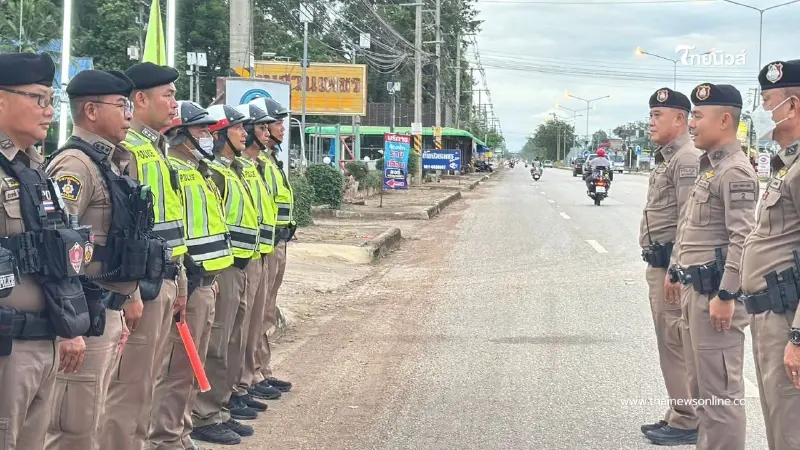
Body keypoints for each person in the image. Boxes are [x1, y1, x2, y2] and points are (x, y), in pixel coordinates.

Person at [0, 51, 96, 450]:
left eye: (51, 100)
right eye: (38, 98)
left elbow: (55, 255)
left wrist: (68, 327)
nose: (48, 110)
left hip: (43, 340)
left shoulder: (35, 170)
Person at [44, 69, 137, 450]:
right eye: (121, 105)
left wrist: (129, 295)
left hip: (104, 308)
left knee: (92, 418)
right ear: (92, 111)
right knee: (73, 426)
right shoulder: (75, 166)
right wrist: (69, 325)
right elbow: (56, 247)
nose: (129, 114)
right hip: (84, 311)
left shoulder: (108, 162)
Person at [99, 62, 189, 450]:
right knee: (129, 387)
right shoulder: (129, 152)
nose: (175, 103)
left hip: (164, 277)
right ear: (140, 99)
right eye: (167, 95)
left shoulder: (156, 149)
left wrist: (179, 278)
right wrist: (132, 289)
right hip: (142, 285)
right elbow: (122, 228)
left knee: (147, 382)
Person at [665, 83, 757, 450]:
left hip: (715, 298)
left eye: (698, 116)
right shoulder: (709, 169)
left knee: (720, 396)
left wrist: (727, 294)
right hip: (697, 294)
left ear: (724, 120)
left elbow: (742, 238)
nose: (692, 123)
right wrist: (677, 270)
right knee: (702, 391)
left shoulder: (734, 171)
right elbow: (690, 228)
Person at [147, 101, 235, 450]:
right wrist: (187, 275)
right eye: (200, 130)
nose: (208, 135)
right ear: (180, 135)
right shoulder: (173, 170)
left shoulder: (200, 171)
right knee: (177, 368)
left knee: (191, 367)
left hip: (206, 281)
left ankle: (180, 433)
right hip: (190, 281)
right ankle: (165, 438)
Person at [191, 104, 261, 445]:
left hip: (239, 264)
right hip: (222, 269)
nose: (244, 133)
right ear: (221, 135)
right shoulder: (214, 173)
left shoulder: (232, 170)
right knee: (217, 344)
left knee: (231, 339)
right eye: (237, 128)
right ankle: (205, 413)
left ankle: (220, 406)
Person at [740, 59, 800, 450]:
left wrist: (798, 336)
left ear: (792, 106)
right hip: (770, 314)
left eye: (766, 102)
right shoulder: (785, 164)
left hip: (788, 319)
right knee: (780, 425)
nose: (761, 112)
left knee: (791, 429)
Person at [638, 87, 701, 446]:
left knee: (675, 344)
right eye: (651, 114)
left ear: (680, 119)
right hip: (660, 266)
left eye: (657, 115)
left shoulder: (686, 159)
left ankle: (687, 419)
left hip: (671, 269)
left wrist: (676, 270)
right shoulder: (669, 157)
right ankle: (680, 412)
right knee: (669, 342)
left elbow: (688, 222)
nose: (650, 121)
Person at [233, 100, 283, 404]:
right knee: (245, 320)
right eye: (262, 127)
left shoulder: (262, 163)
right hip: (246, 255)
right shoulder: (238, 167)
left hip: (266, 246)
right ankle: (245, 378)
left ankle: (255, 372)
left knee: (261, 314)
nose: (270, 131)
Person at [252, 98, 294, 395]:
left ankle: (261, 369)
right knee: (259, 312)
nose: (281, 128)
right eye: (276, 122)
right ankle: (254, 372)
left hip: (278, 241)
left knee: (266, 311)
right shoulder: (258, 162)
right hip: (265, 245)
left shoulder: (270, 159)